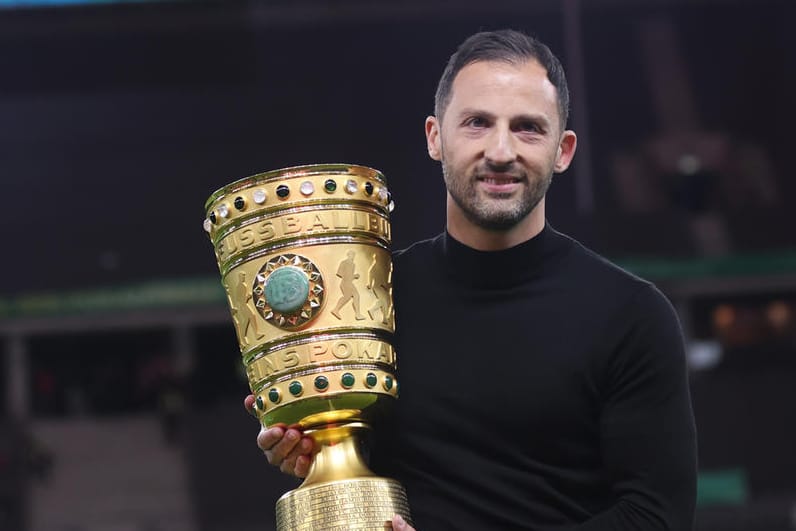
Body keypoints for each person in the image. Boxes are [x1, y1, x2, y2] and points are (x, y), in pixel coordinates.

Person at [246, 29, 697, 530]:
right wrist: (311, 444)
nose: (500, 151)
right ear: (436, 138)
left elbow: (657, 517)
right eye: (477, 123)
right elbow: (354, 466)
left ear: (563, 150)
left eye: (527, 128)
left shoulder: (631, 315)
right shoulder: (370, 299)